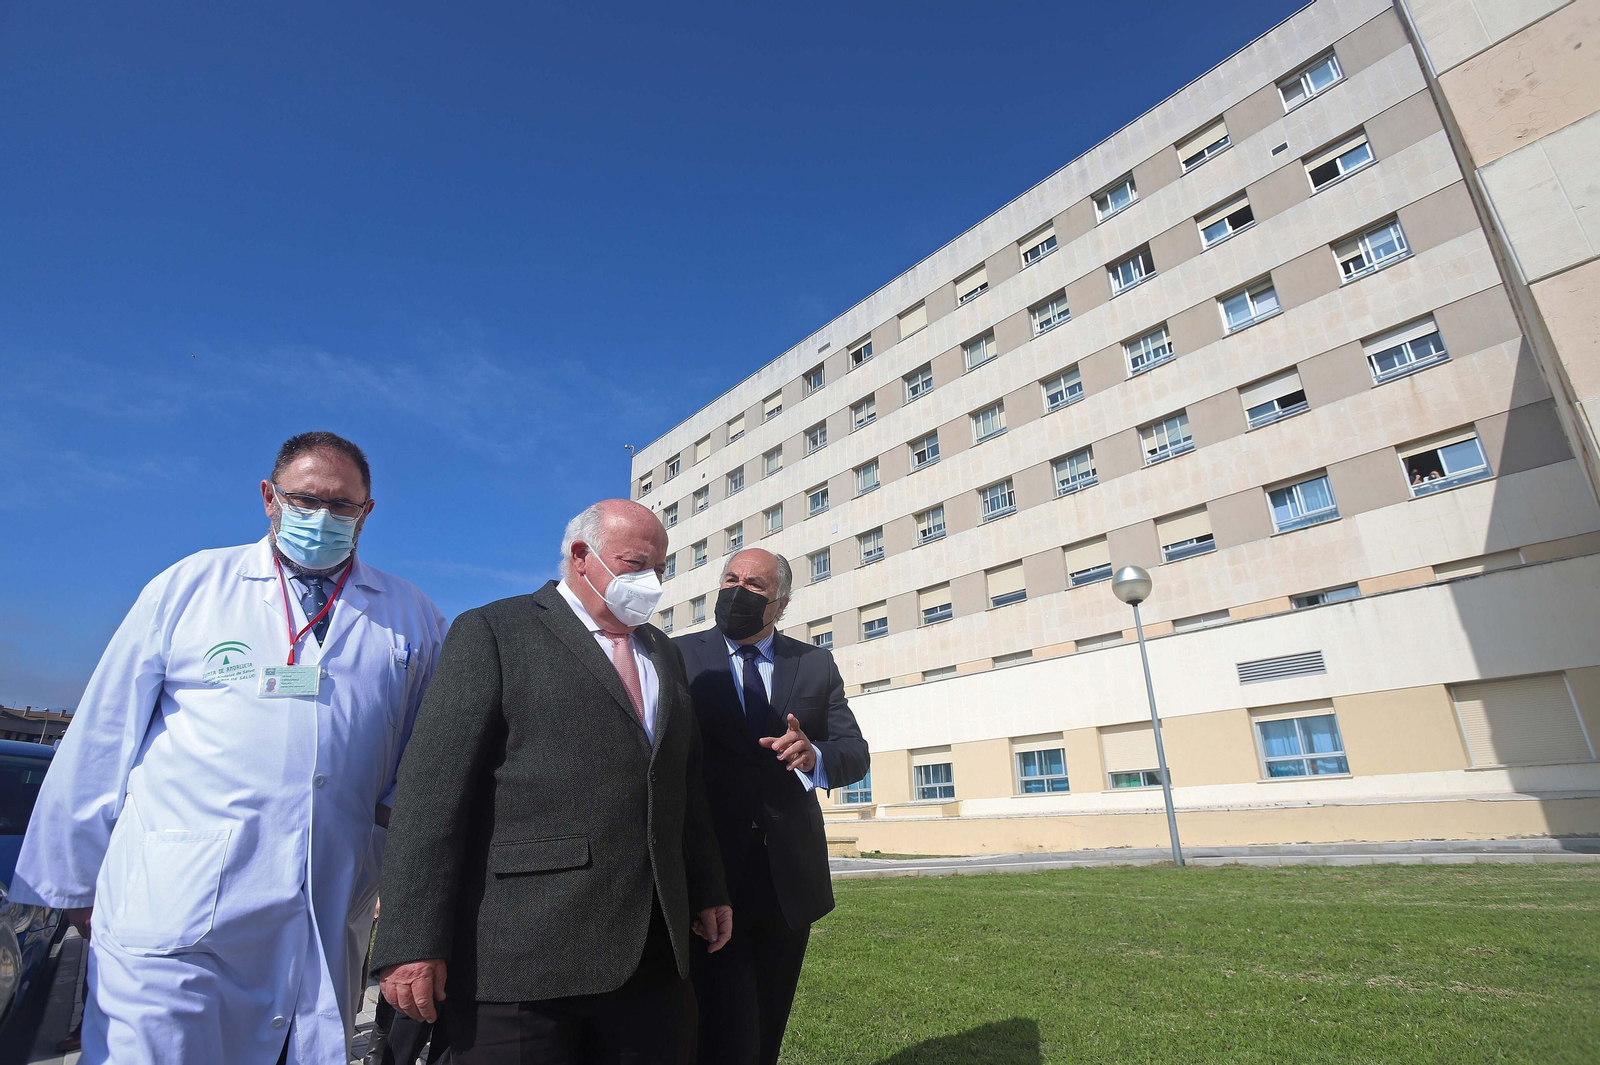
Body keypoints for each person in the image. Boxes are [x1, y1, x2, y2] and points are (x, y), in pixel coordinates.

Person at [10, 431, 446, 1065]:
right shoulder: (191, 586)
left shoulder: (411, 615)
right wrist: (73, 880)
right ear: (269, 498)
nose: (322, 517)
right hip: (174, 902)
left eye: (342, 506)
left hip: (328, 900)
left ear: (366, 512)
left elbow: (423, 767)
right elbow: (106, 731)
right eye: (304, 499)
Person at [371, 499, 731, 1065]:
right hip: (522, 957)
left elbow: (682, 780)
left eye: (660, 568)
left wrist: (708, 887)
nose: (651, 582)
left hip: (653, 956)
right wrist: (410, 941)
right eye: (635, 563)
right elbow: (431, 792)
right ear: (582, 557)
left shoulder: (662, 652)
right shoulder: (495, 630)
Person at [674, 548, 869, 1065]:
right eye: (731, 579)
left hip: (786, 879)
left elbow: (855, 754)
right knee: (710, 1023)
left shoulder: (813, 663)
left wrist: (815, 755)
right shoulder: (676, 656)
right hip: (708, 873)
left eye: (755, 585)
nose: (738, 591)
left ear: (780, 604)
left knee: (766, 1022)